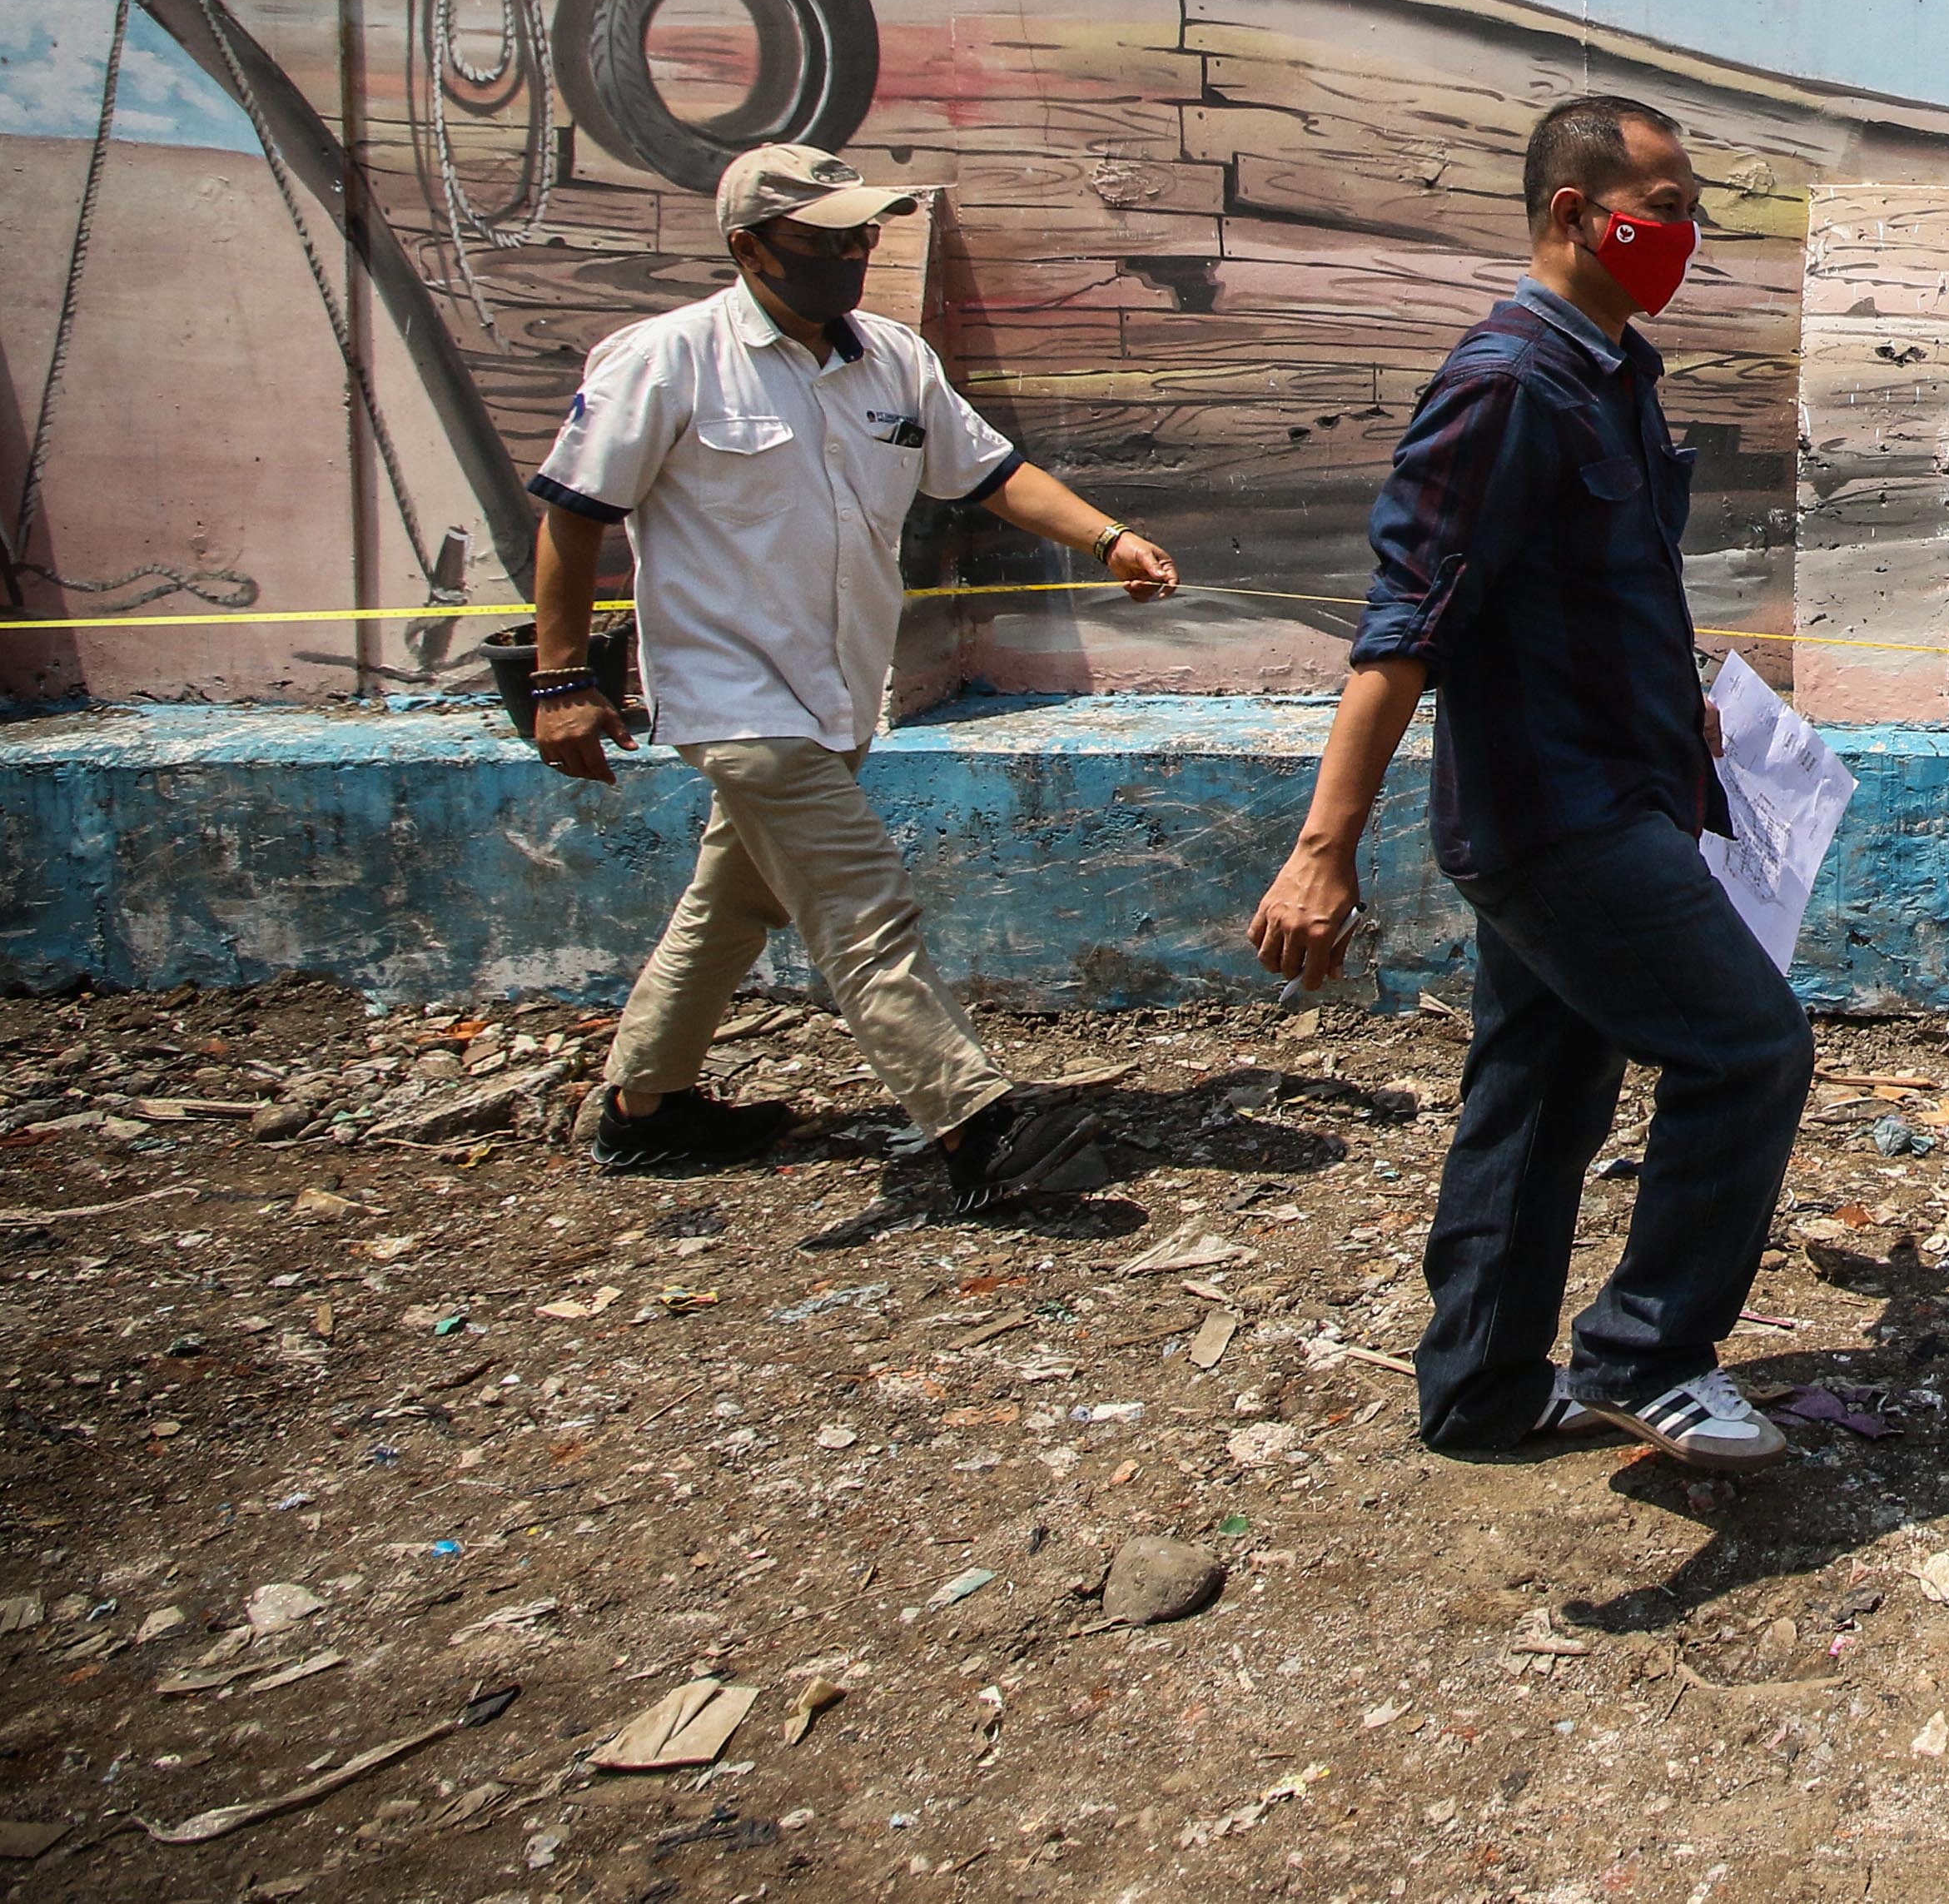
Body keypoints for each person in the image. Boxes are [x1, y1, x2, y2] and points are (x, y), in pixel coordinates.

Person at [1245, 92, 1811, 1472]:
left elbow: (1581, 596)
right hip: (1557, 821)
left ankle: (1485, 1394)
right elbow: (1406, 629)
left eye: (1691, 213)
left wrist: (1682, 714)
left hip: (1612, 787)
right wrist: (1324, 851)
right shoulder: (1505, 387)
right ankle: (1645, 1354)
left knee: (1539, 1098)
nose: (1685, 236)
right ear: (1573, 212)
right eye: (1663, 210)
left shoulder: (1613, 371)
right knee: (1746, 1050)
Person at [526, 142, 1180, 1210]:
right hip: (735, 698)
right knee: (863, 907)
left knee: (730, 905)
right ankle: (975, 1123)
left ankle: (646, 1108)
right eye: (826, 238)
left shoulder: (893, 360)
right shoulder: (665, 359)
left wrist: (1108, 538)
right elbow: (575, 513)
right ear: (750, 246)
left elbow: (993, 472)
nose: (855, 252)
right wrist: (561, 681)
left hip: (839, 689)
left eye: (863, 232)